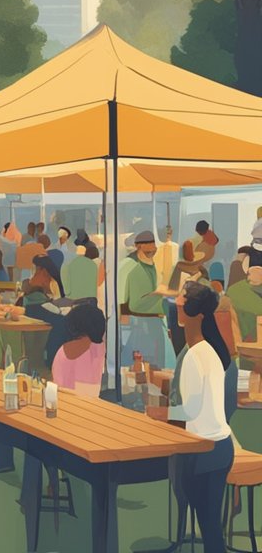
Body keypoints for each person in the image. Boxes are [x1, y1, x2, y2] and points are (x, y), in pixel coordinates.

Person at [167, 282, 234, 553]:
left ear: (195, 314)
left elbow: (189, 411)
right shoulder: (207, 351)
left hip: (204, 451)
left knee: (209, 528)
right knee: (210, 527)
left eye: (182, 301)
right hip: (217, 448)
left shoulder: (196, 355)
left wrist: (159, 414)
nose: (178, 305)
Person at [121, 230, 176, 368]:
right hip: (141, 322)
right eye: (148, 251)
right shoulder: (132, 266)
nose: (152, 253)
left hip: (153, 322)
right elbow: (135, 303)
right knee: (145, 365)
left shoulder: (150, 265)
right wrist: (159, 293)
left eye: (153, 250)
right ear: (139, 247)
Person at [52, 302, 106, 398]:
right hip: (94, 405)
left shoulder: (67, 350)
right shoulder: (101, 348)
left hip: (68, 404)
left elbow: (58, 386)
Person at [172, 220, 219, 289]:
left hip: (197, 264)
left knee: (178, 265)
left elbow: (196, 257)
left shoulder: (203, 244)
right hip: (201, 262)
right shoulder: (211, 237)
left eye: (198, 231)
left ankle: (173, 288)